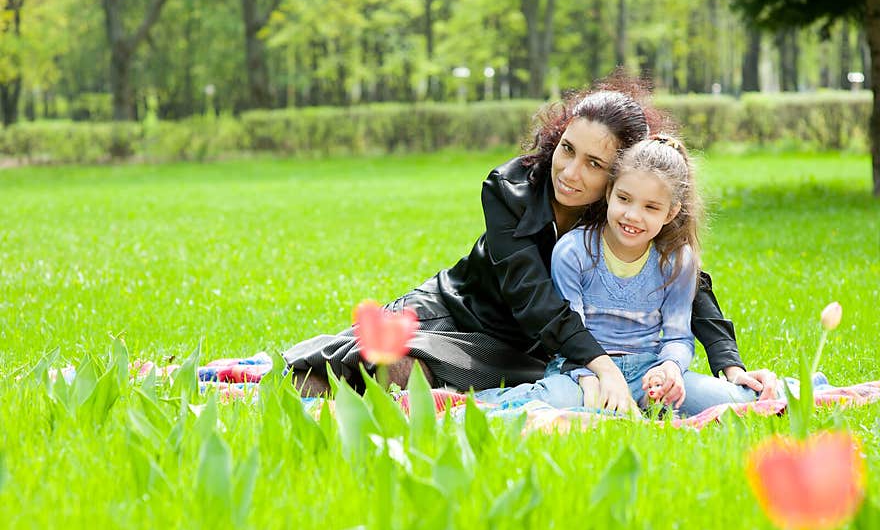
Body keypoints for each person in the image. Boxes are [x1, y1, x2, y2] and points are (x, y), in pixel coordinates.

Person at [283, 75, 777, 409]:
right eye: (568, 150)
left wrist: (730, 367)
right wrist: (600, 365)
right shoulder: (509, 189)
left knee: (511, 376)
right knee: (396, 360)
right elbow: (531, 296)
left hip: (543, 349)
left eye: (594, 164)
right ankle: (333, 377)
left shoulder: (627, 208)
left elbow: (689, 280)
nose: (569, 172)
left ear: (621, 175)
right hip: (466, 316)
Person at [482, 134, 771, 416]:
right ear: (609, 194)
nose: (633, 215)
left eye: (651, 207)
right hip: (584, 373)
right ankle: (478, 402)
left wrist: (669, 368)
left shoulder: (677, 260)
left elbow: (678, 336)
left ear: (671, 213)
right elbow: (570, 332)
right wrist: (590, 377)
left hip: (648, 371)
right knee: (548, 403)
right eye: (624, 198)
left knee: (738, 401)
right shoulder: (573, 251)